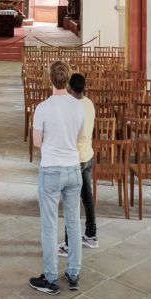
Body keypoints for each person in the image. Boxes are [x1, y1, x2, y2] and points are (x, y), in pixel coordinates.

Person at [29, 60, 85, 295]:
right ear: (68, 79)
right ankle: (73, 272)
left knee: (49, 224)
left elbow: (36, 142)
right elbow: (79, 135)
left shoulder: (43, 107)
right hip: (73, 168)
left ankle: (51, 277)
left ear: (49, 79)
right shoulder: (78, 106)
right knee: (73, 222)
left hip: (51, 168)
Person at [58, 73, 97, 257]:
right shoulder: (89, 103)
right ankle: (91, 234)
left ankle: (68, 244)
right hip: (88, 154)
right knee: (87, 198)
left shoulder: (71, 107)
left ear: (70, 88)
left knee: (70, 201)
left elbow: (68, 133)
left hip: (75, 158)